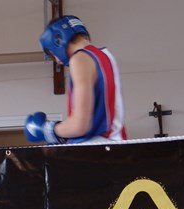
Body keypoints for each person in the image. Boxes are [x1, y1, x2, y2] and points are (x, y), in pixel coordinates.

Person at [24, 15, 127, 145]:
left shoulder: (80, 58)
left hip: (95, 151)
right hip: (114, 147)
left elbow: (80, 126)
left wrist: (46, 129)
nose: (58, 61)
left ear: (58, 39)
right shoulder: (106, 56)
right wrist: (59, 134)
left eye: (52, 54)